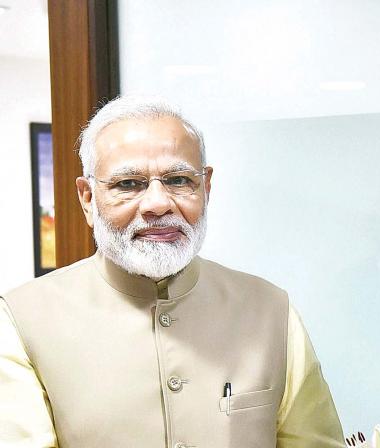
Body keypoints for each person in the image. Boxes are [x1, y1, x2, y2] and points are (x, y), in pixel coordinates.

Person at [0, 96, 345, 447]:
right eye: (128, 184)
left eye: (179, 180)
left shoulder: (271, 310)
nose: (158, 204)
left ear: (206, 188)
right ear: (87, 198)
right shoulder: (24, 320)